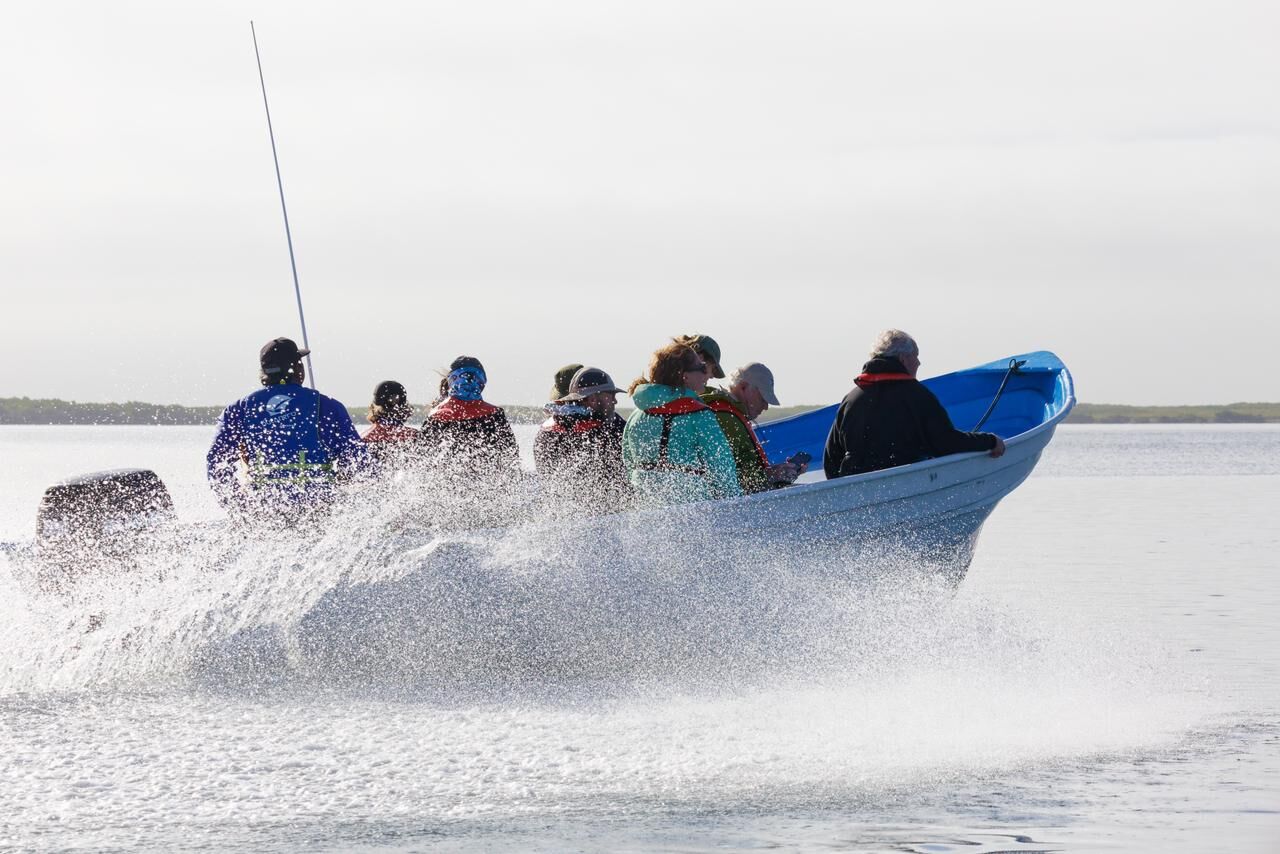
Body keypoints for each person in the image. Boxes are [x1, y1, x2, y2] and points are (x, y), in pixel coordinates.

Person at [206, 337, 366, 514]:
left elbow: (216, 462)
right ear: (298, 368)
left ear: (264, 372)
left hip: (262, 511)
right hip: (318, 509)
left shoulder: (238, 409)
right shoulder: (327, 406)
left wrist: (238, 506)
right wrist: (339, 491)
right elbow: (358, 460)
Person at [823, 329, 1006, 479]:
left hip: (855, 491)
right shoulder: (917, 396)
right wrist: (990, 441)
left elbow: (831, 460)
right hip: (906, 484)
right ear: (903, 359)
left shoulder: (851, 399)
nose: (919, 362)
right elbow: (946, 443)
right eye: (915, 356)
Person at [622, 342, 742, 506]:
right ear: (684, 376)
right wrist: (735, 504)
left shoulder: (635, 416)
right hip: (693, 508)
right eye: (702, 367)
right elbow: (722, 467)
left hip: (646, 507)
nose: (706, 373)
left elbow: (629, 465)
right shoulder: (700, 415)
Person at [534, 366, 631, 510]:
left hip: (563, 513)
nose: (615, 401)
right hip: (609, 515)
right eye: (611, 395)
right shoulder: (611, 429)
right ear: (592, 399)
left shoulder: (547, 431)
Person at [701, 362, 806, 494]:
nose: (766, 407)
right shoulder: (726, 419)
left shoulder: (727, 414)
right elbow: (722, 478)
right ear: (743, 387)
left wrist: (779, 474)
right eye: (762, 398)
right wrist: (772, 475)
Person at [419, 356, 521, 484]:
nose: (468, 382)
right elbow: (511, 459)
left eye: (472, 377)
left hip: (459, 486)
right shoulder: (494, 414)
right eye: (465, 377)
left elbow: (422, 462)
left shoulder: (436, 415)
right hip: (477, 485)